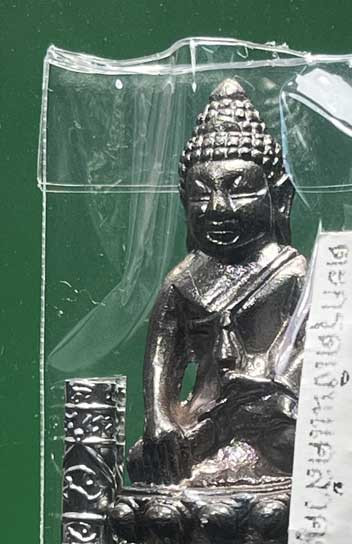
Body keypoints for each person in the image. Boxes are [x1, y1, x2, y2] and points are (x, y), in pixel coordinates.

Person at [128, 78, 306, 486]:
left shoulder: (294, 273)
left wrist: (271, 383)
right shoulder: (183, 281)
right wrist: (159, 419)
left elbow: (314, 353)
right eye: (200, 193)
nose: (217, 208)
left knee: (297, 441)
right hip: (206, 418)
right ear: (184, 202)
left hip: (271, 413)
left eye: (238, 190)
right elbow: (160, 360)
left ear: (279, 197)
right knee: (146, 461)